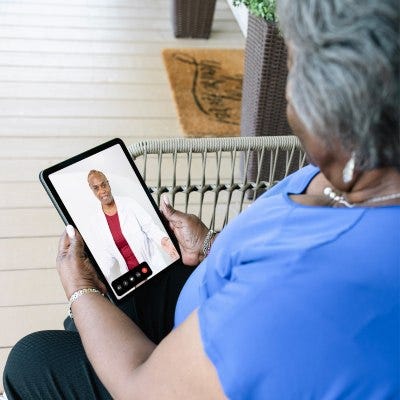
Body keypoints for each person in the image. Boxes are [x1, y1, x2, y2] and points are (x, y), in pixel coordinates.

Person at [2, 0, 399, 398]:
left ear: (335, 105)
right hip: (223, 313)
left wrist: (79, 289)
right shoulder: (367, 176)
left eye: (295, 66)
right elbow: (282, 244)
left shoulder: (296, 290)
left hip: (184, 372)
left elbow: (143, 390)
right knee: (128, 286)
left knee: (34, 360)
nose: (288, 90)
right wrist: (212, 244)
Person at [86, 170, 179, 282]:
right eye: (96, 188)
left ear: (108, 184)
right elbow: (106, 255)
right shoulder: (96, 222)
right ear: (92, 191)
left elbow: (150, 227)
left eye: (103, 185)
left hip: (153, 267)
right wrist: (100, 276)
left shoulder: (129, 204)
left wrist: (164, 241)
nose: (102, 191)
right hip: (131, 279)